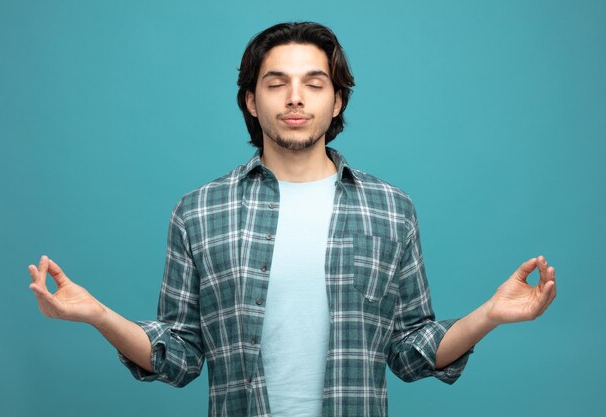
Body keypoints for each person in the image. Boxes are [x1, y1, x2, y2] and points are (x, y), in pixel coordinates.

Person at [28, 22, 557, 417]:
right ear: (251, 102)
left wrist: (489, 315)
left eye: (314, 82)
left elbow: (409, 349)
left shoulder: (392, 208)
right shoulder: (199, 210)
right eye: (276, 82)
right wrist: (99, 315)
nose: (296, 97)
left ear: (337, 100)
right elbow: (180, 355)